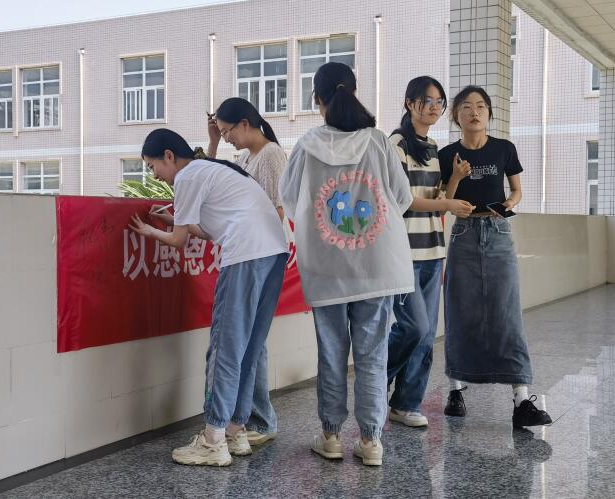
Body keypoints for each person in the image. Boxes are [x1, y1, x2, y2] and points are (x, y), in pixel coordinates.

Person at [279, 61, 414, 467]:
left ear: (316, 99)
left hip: (326, 268)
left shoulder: (306, 145)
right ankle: (371, 441)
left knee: (331, 353)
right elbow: (403, 198)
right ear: (354, 92)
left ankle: (331, 436)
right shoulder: (378, 141)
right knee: (373, 355)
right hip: (377, 266)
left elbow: (289, 199)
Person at [129, 129, 289, 466]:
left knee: (225, 347)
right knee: (249, 347)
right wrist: (177, 221)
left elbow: (177, 242)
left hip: (245, 255)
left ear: (169, 156)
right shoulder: (211, 169)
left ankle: (213, 439)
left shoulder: (187, 176)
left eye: (152, 166)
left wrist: (150, 231)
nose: (153, 175)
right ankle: (235, 430)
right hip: (275, 253)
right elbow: (211, 228)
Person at [437, 86, 552, 428]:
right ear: (456, 115)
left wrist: (508, 205)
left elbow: (516, 191)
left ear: (489, 113)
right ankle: (455, 390)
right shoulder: (447, 154)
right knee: (459, 310)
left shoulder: (504, 148)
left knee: (507, 312)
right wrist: (456, 177)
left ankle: (521, 399)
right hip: (463, 234)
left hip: (499, 232)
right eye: (466, 107)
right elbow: (444, 202)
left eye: (481, 106)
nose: (474, 112)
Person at [385, 77, 474, 429]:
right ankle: (374, 380)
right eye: (427, 101)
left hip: (433, 251)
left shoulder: (433, 146)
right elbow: (403, 200)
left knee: (425, 335)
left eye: (439, 102)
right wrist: (447, 202)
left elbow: (438, 201)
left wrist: (455, 180)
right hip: (403, 253)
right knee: (414, 326)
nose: (434, 108)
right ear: (410, 103)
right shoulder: (396, 144)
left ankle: (406, 404)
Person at [206, 96, 287, 448]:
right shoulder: (245, 158)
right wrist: (211, 142)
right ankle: (253, 419)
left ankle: (259, 419)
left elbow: (280, 209)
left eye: (227, 131)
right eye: (221, 133)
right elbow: (209, 181)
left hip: (260, 253)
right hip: (255, 251)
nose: (227, 138)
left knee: (249, 341)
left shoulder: (271, 155)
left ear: (244, 123)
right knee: (252, 340)